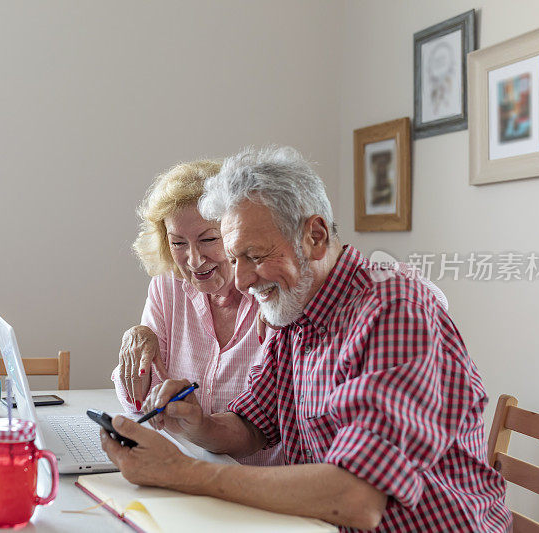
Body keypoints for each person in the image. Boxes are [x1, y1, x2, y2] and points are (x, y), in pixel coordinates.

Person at [100, 146, 512, 531]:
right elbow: (252, 426)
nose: (241, 281)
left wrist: (183, 472)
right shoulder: (295, 310)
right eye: (236, 257)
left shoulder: (393, 307)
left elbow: (357, 496)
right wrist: (199, 423)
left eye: (255, 256)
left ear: (314, 236)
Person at [111, 159, 282, 466]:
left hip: (261, 481)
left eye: (208, 239)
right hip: (184, 468)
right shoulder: (167, 286)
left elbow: (271, 418)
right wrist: (136, 341)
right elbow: (139, 401)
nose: (193, 260)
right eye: (178, 243)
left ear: (236, 233)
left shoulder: (273, 292)